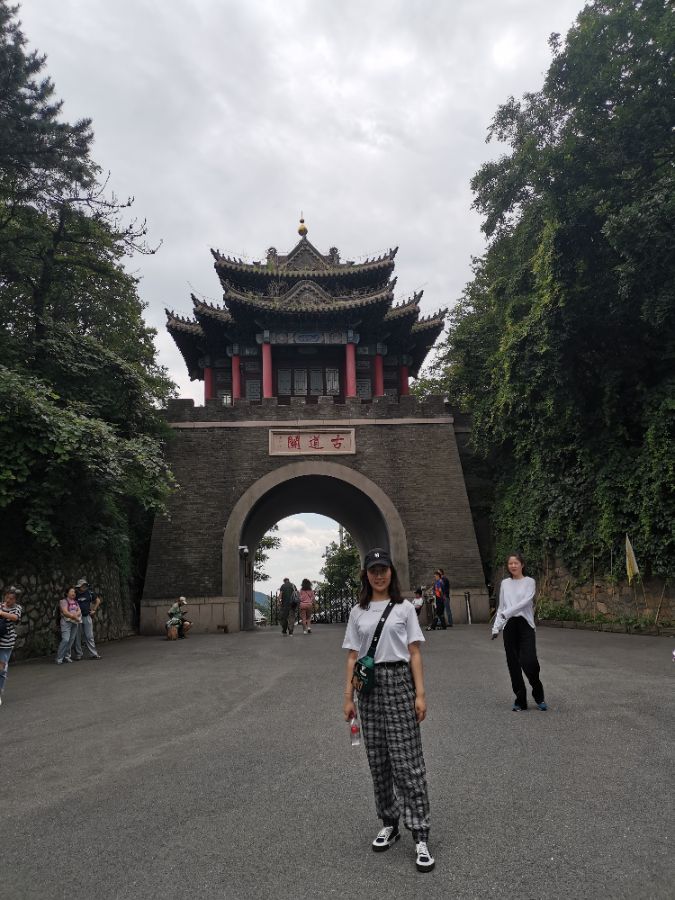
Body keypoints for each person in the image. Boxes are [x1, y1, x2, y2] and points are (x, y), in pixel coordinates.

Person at [342, 548, 434, 873]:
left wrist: (420, 694)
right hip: (368, 688)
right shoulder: (358, 611)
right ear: (366, 575)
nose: (378, 575)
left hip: (398, 680)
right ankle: (390, 823)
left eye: (383, 569)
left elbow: (415, 653)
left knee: (407, 761)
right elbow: (352, 656)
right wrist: (348, 697)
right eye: (373, 570)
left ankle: (420, 833)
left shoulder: (404, 608)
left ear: (391, 573)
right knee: (378, 760)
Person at [491, 553, 547, 711]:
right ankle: (520, 699)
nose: (513, 566)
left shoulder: (529, 582)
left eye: (516, 563)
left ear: (522, 564)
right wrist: (496, 627)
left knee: (530, 661)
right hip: (509, 626)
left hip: (525, 625)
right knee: (513, 664)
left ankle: (538, 693)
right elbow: (501, 607)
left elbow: (526, 602)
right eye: (510, 563)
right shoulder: (505, 583)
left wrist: (506, 613)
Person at [0, 586, 23, 706]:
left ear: (15, 600)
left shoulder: (17, 608)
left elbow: (15, 618)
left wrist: (1, 613)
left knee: (2, 669)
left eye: (11, 598)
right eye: (7, 597)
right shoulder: (0, 605)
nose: (8, 600)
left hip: (6, 642)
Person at [72, 578, 102, 660]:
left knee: (89, 636)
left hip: (86, 616)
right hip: (77, 617)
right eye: (82, 585)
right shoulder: (75, 594)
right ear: (79, 586)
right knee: (77, 636)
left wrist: (94, 610)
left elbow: (98, 600)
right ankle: (79, 654)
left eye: (85, 585)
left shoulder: (89, 593)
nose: (84, 587)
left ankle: (93, 654)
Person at [56, 587, 82, 664]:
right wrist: (74, 617)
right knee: (66, 639)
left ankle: (67, 656)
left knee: (71, 640)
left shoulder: (76, 602)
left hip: (74, 622)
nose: (73, 593)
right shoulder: (63, 601)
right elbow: (65, 612)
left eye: (74, 592)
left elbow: (79, 611)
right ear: (67, 593)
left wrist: (76, 616)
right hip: (66, 622)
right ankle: (59, 657)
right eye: (71, 591)